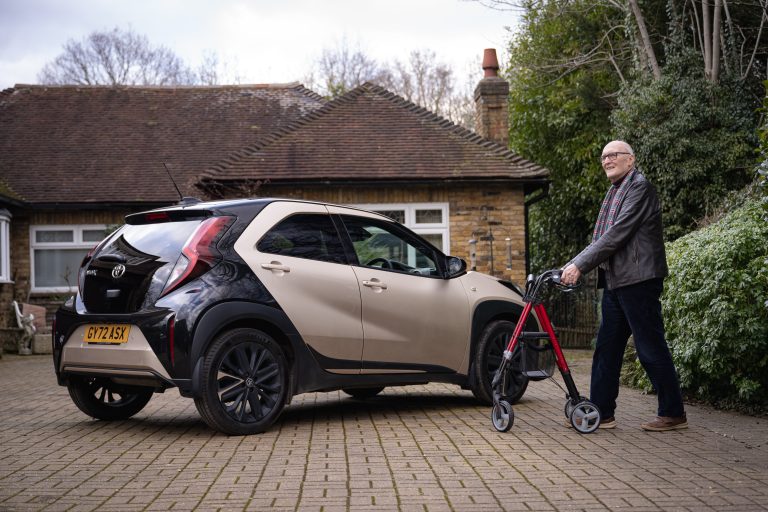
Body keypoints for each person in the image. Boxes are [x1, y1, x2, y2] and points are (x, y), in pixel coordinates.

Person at [561, 140, 687, 431]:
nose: (607, 160)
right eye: (603, 156)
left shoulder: (640, 188)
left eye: (613, 155)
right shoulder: (615, 192)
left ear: (631, 160)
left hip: (639, 280)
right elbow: (600, 240)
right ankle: (602, 413)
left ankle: (673, 412)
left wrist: (579, 265)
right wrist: (572, 263)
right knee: (606, 348)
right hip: (617, 281)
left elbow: (616, 235)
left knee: (649, 346)